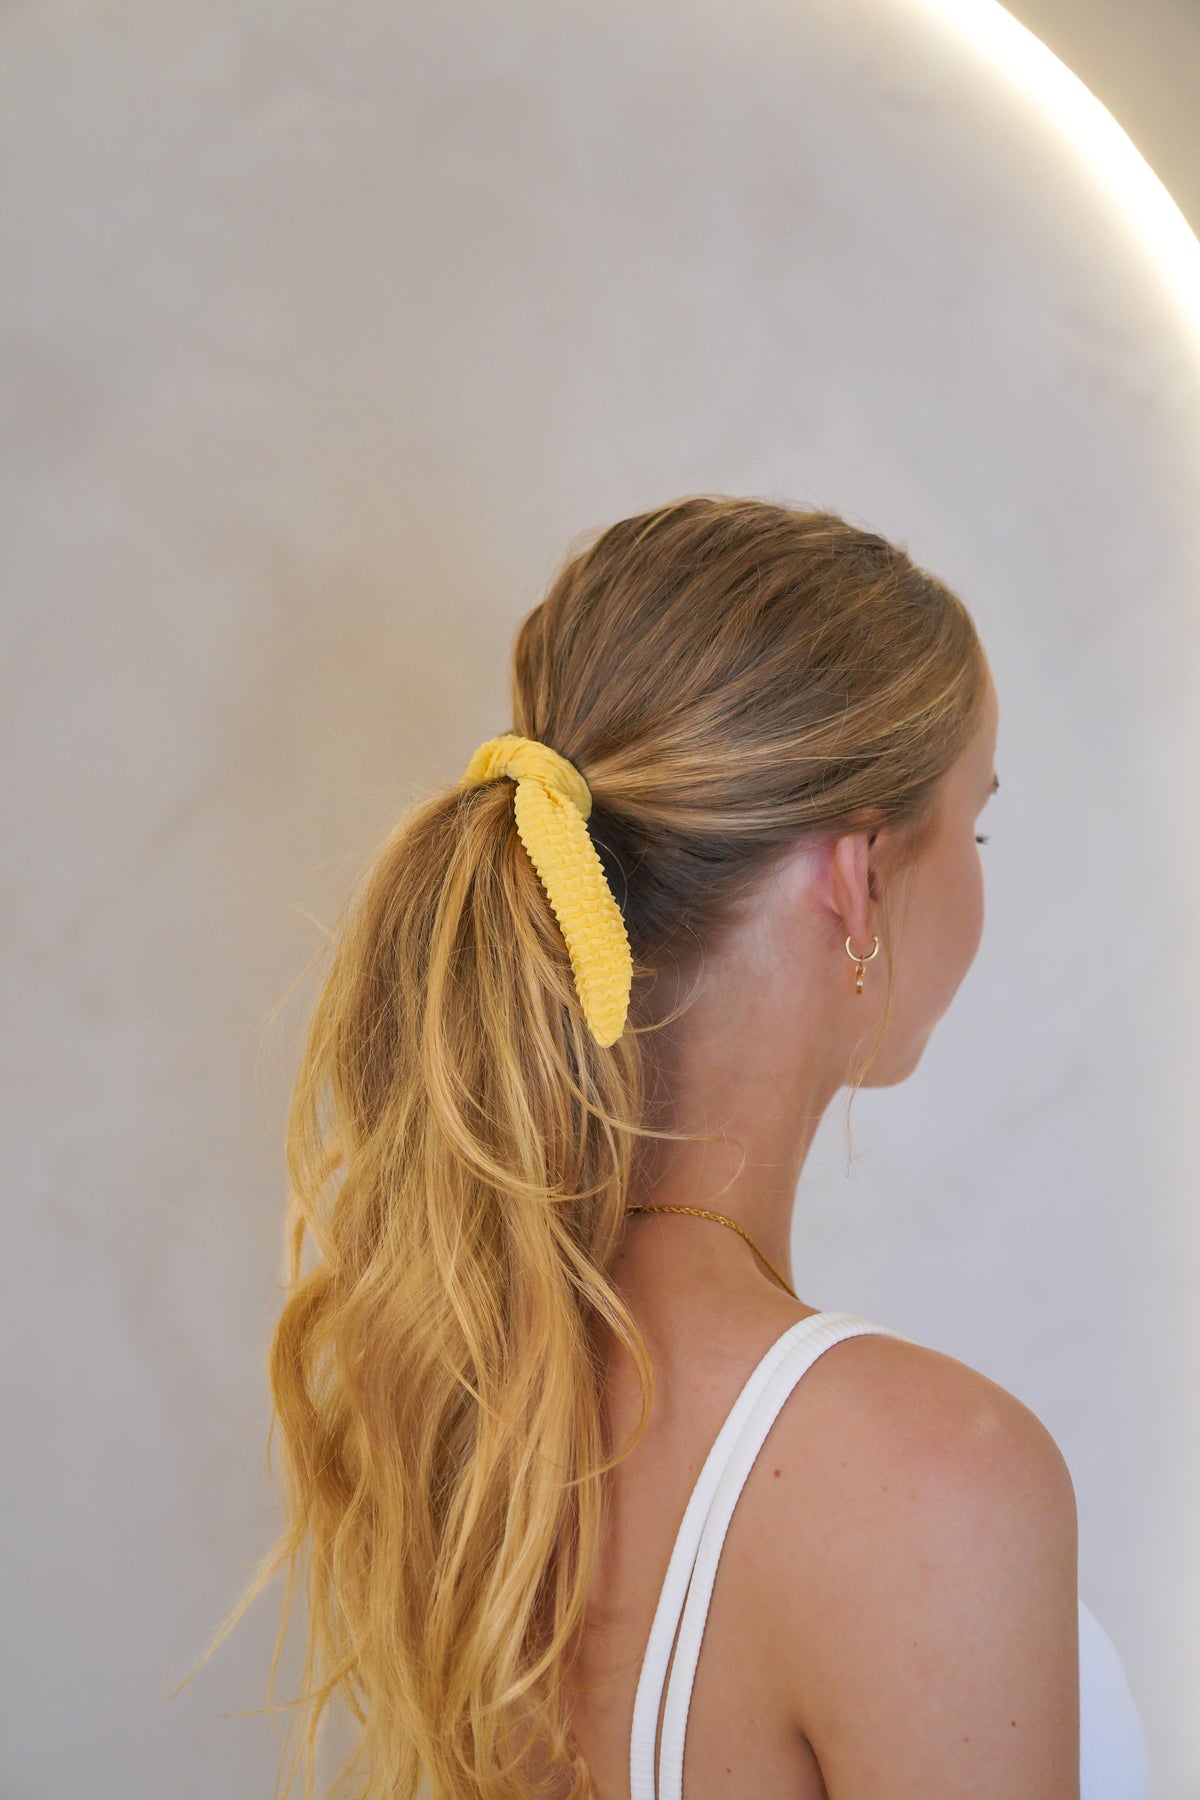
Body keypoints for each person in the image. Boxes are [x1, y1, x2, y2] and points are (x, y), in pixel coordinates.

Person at [192, 495, 1148, 1798]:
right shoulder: (934, 1476)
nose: (981, 879)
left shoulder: (475, 1400)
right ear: (860, 878)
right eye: (972, 827)